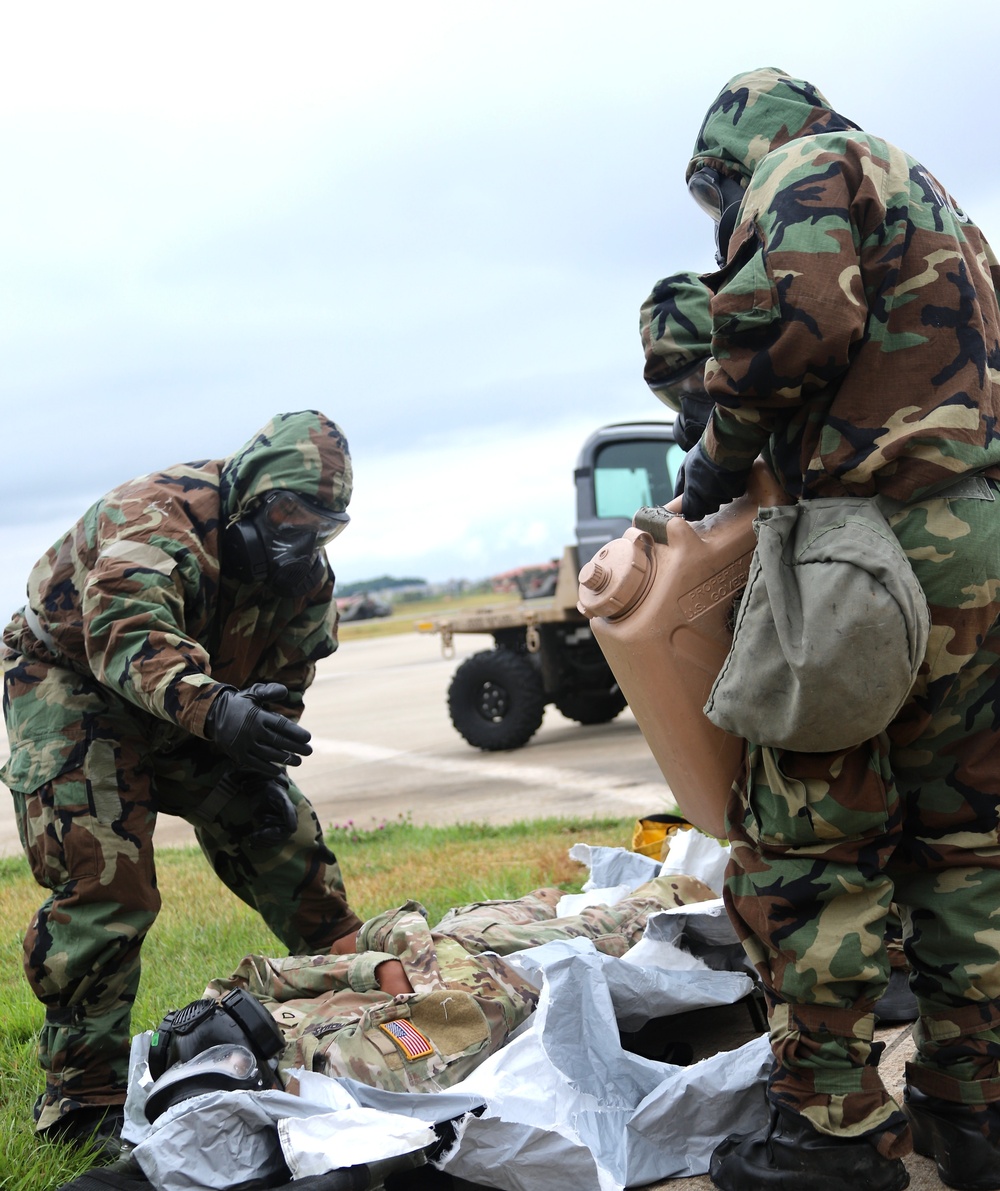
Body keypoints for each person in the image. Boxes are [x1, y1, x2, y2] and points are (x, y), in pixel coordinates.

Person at [670, 68, 1000, 1191]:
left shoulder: (803, 166)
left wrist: (715, 455)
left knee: (809, 843)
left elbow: (799, 316)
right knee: (970, 848)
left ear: (731, 159)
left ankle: (828, 1136)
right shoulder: (943, 203)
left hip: (869, 553)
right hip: (980, 547)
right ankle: (975, 1117)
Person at [0, 410, 364, 1156]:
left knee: (280, 832)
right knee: (108, 875)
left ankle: (363, 997)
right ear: (251, 498)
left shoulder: (304, 580)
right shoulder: (157, 518)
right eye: (289, 516)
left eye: (323, 525)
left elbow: (284, 680)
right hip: (71, 680)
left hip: (197, 706)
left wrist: (257, 753)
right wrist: (224, 714)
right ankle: (83, 1099)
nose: (304, 539)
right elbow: (126, 638)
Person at [640, 268, 920, 1030]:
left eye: (690, 380)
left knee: (844, 799)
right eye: (666, 391)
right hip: (802, 625)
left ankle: (879, 965)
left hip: (853, 602)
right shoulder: (713, 432)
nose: (683, 409)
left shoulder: (795, 398)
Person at [173, 872, 718, 1097]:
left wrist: (369, 968)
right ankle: (705, 879)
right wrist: (405, 967)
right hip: (500, 969)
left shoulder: (212, 1022)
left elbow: (258, 976)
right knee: (641, 912)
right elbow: (459, 1022)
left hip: (444, 934)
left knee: (551, 896)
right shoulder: (339, 1070)